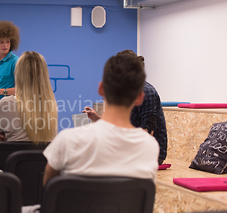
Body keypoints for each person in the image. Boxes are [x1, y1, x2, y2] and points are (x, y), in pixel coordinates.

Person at [43, 54, 159, 184]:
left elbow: (49, 188)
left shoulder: (68, 140)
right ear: (140, 98)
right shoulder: (150, 147)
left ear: (101, 89)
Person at [84, 50, 168, 164]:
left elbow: (147, 134)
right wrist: (97, 119)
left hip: (150, 154)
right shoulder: (124, 91)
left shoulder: (147, 92)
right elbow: (119, 128)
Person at [0, 51, 58, 144]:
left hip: (14, 158)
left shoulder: (6, 103)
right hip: (43, 158)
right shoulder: (51, 105)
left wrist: (7, 142)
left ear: (18, 74)